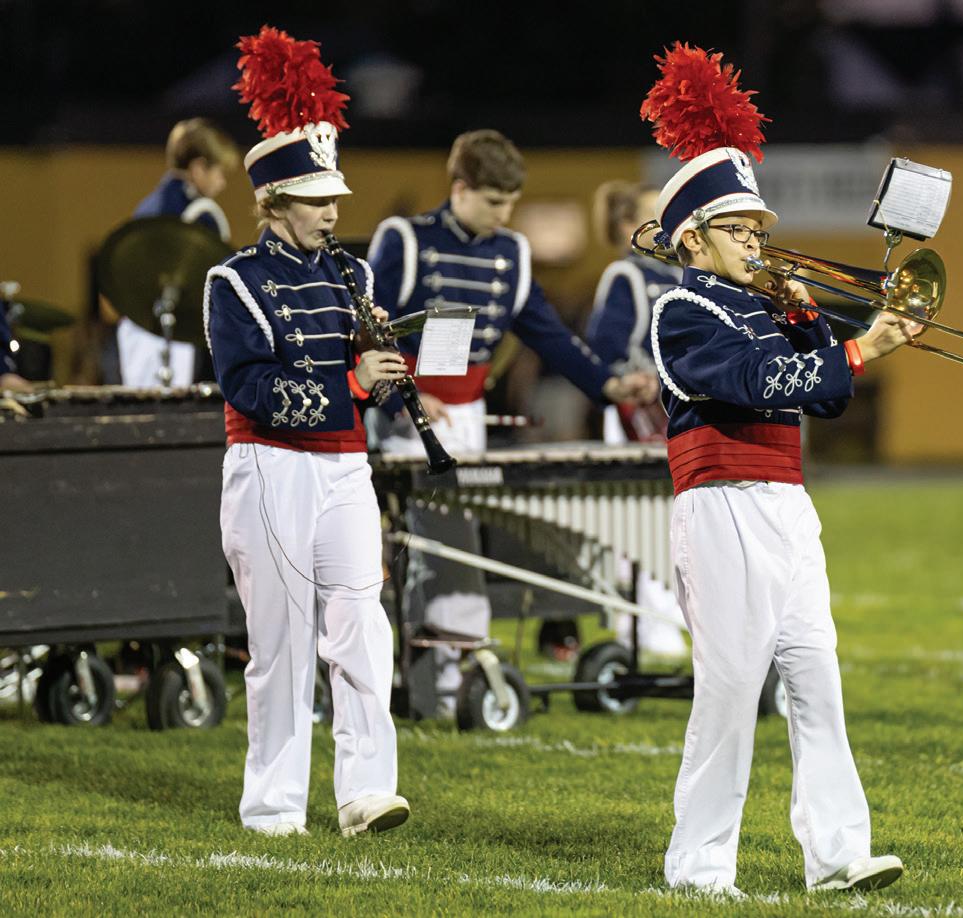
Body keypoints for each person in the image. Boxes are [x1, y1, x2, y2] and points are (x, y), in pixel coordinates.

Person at [642, 43, 913, 893]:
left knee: (816, 678)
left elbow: (824, 399)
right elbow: (755, 384)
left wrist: (816, 326)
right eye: (740, 229)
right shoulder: (681, 310)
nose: (758, 243)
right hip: (723, 505)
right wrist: (857, 347)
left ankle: (836, 855)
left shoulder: (764, 309)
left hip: (788, 504)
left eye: (760, 229)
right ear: (693, 237)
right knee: (730, 692)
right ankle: (698, 865)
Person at [366, 129, 656, 711]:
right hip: (406, 416)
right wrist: (404, 399)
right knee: (441, 544)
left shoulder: (512, 253)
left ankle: (440, 678)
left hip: (467, 417)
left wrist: (607, 384)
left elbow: (549, 336)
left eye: (510, 203)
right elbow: (369, 330)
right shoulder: (406, 240)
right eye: (493, 201)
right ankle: (441, 677)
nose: (503, 215)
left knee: (451, 546)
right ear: (460, 188)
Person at [206, 25, 409, 837]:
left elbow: (366, 383)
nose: (333, 211)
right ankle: (273, 805)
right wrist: (351, 385)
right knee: (282, 642)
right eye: (318, 199)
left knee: (362, 624)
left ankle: (365, 792)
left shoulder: (354, 273)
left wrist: (388, 377)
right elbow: (249, 386)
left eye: (334, 199)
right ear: (274, 201)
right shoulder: (235, 282)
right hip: (272, 465)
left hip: (345, 465)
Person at [586, 180, 687, 657]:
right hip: (632, 415)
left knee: (677, 518)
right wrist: (634, 377)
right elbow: (603, 350)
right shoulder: (625, 276)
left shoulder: (683, 275)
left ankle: (668, 611)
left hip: (676, 413)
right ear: (629, 225)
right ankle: (642, 622)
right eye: (654, 217)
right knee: (640, 521)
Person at [118, 118, 240, 387]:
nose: (222, 183)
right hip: (157, 333)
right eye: (219, 173)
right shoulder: (185, 214)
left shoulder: (153, 203)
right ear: (198, 168)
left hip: (140, 328)